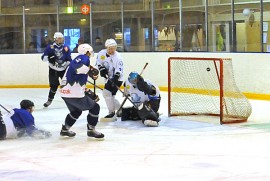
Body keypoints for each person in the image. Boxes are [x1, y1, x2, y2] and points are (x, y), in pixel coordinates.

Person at [59, 43, 104, 139]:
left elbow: (75, 78)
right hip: (73, 93)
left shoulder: (74, 61)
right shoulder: (83, 58)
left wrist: (86, 91)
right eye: (90, 52)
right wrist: (89, 70)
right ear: (87, 51)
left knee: (76, 111)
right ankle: (91, 130)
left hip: (64, 92)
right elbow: (77, 66)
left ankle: (65, 130)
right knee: (95, 107)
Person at [96, 38, 124, 121]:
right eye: (110, 48)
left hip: (117, 79)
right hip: (108, 78)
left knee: (106, 93)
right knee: (110, 96)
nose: (112, 50)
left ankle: (111, 113)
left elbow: (119, 70)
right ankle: (120, 111)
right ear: (106, 47)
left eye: (114, 48)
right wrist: (102, 69)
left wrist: (115, 78)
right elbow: (98, 62)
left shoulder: (118, 57)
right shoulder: (101, 53)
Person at [41, 32, 72, 107]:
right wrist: (49, 58)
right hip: (53, 70)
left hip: (63, 70)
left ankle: (71, 101)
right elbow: (43, 58)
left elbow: (69, 59)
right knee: (54, 86)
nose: (61, 40)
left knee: (68, 85)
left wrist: (66, 65)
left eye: (62, 38)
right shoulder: (50, 47)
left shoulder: (66, 47)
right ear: (55, 39)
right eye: (59, 38)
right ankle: (49, 100)